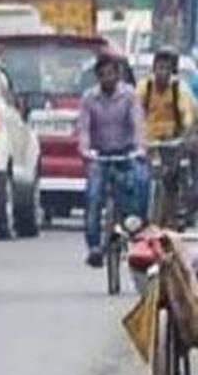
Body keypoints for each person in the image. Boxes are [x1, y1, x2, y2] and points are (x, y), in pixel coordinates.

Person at [78, 52, 147, 267]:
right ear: (97, 77)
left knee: (141, 181)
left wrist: (139, 148)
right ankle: (94, 246)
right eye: (103, 75)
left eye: (111, 74)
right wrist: (86, 150)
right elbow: (84, 129)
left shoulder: (129, 95)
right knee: (93, 195)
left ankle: (137, 229)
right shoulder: (89, 98)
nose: (107, 78)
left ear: (118, 74)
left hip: (126, 152)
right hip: (100, 154)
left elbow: (137, 124)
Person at [141, 48, 197, 221]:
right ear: (153, 68)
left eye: (166, 68)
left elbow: (187, 115)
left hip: (170, 140)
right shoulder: (145, 87)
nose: (162, 72)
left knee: (173, 176)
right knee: (139, 177)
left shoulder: (179, 90)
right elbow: (133, 112)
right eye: (159, 67)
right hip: (146, 140)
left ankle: (179, 209)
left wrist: (186, 135)